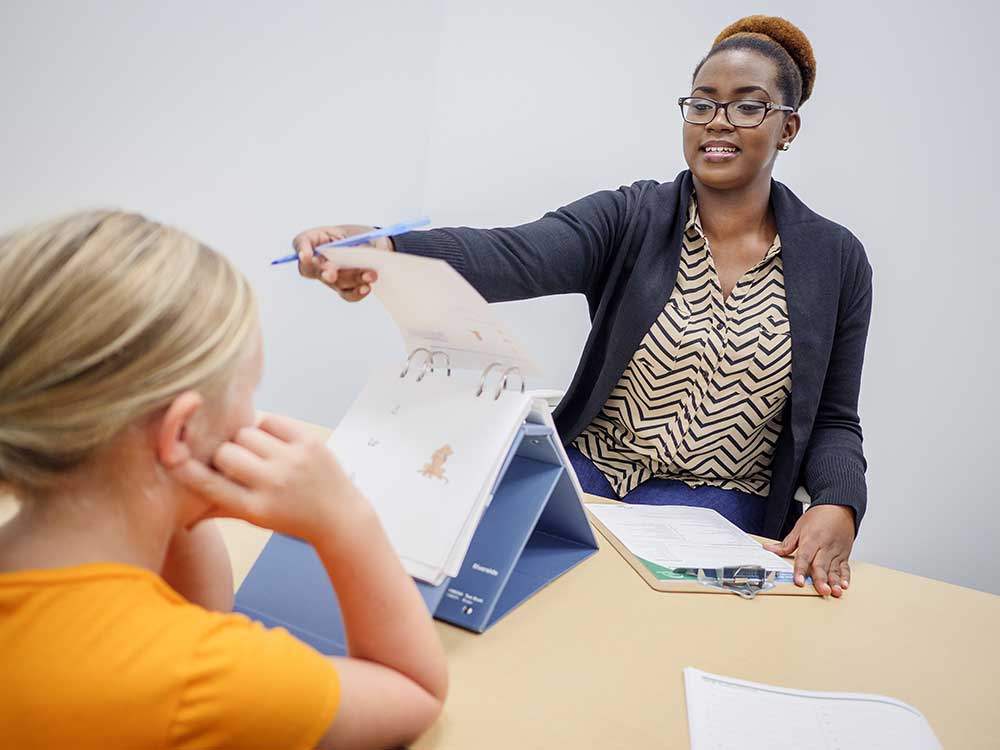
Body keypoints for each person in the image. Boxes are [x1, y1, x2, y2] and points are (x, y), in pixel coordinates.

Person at [292, 16, 872, 599]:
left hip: (719, 511)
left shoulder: (837, 260)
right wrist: (386, 249)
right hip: (588, 478)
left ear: (788, 127)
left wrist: (839, 502)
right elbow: (513, 253)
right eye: (702, 103)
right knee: (475, 591)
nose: (718, 121)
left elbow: (833, 418)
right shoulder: (631, 217)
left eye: (748, 106)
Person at [0, 211, 447, 749]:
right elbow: (413, 689)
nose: (253, 417)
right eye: (249, 393)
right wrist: (344, 518)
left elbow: (198, 616)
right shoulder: (202, 680)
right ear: (181, 431)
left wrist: (172, 492)